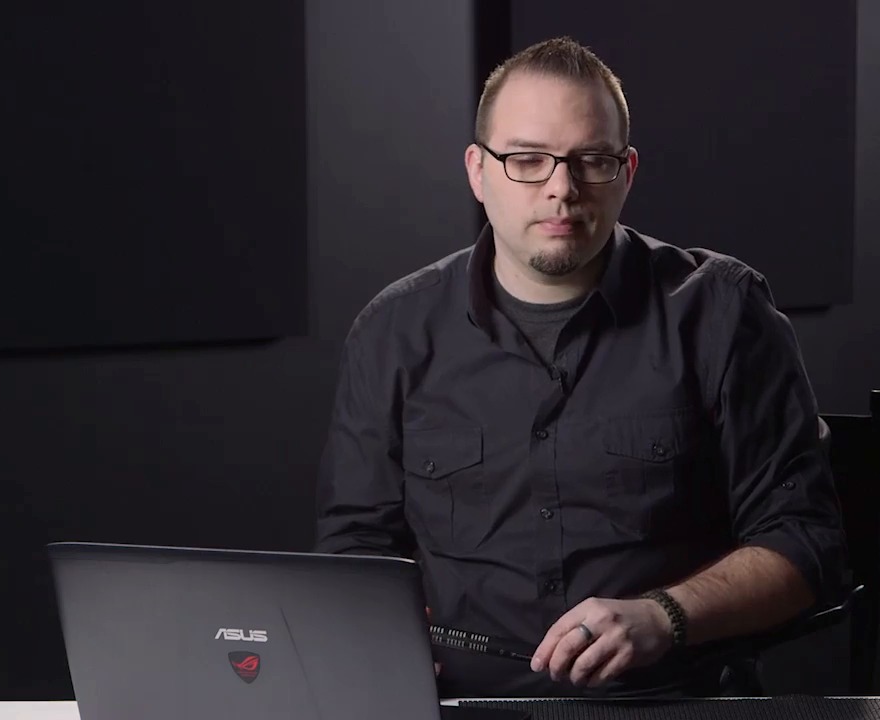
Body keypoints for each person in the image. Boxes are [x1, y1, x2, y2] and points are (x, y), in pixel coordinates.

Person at [313, 36, 848, 699]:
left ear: (626, 172)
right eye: (527, 160)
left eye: (591, 160)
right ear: (478, 172)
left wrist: (665, 615)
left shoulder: (723, 312)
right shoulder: (392, 332)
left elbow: (807, 544)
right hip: (460, 708)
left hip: (668, 704)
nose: (561, 189)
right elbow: (355, 546)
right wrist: (379, 639)